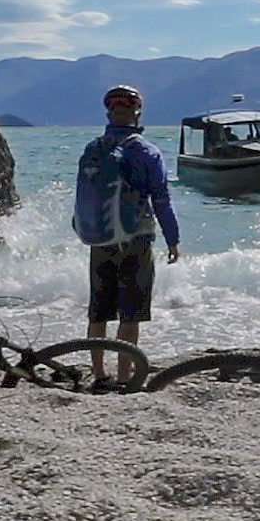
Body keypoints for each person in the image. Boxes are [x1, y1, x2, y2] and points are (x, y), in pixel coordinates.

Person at [75, 84, 180, 388]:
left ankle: (98, 375)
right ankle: (123, 376)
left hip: (100, 240)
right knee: (130, 313)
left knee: (98, 311)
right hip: (135, 240)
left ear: (109, 111)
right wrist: (173, 239)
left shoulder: (92, 149)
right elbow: (161, 199)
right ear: (136, 112)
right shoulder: (146, 151)